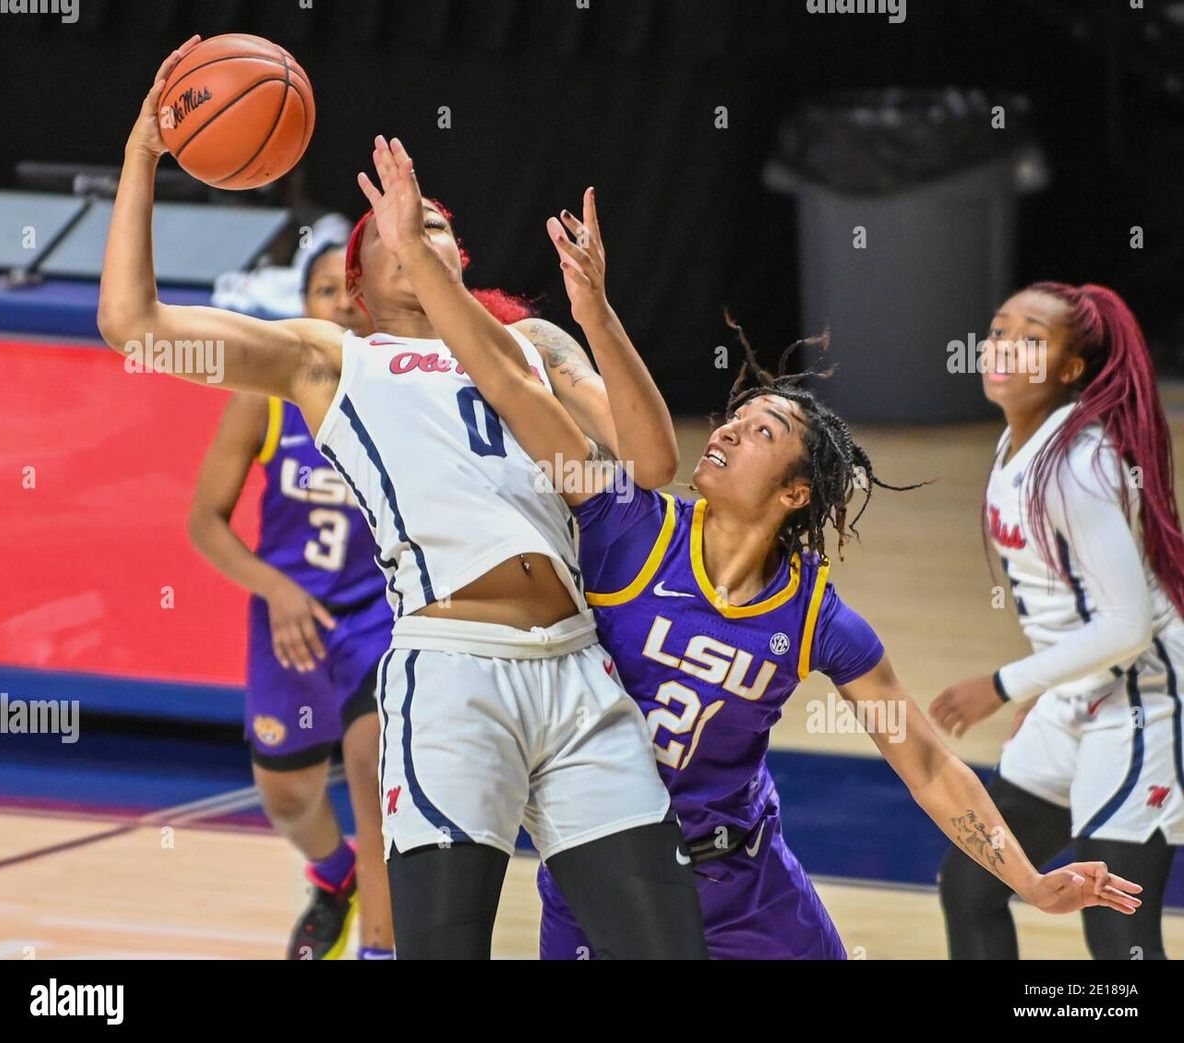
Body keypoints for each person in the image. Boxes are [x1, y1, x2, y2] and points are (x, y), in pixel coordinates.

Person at [356, 140, 1147, 959]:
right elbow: (516, 391)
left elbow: (927, 764)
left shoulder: (815, 617)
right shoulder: (624, 524)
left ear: (796, 493)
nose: (729, 428)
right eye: (734, 418)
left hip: (751, 894)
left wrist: (1027, 878)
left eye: (761, 430)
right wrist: (541, 299)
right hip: (605, 881)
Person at [97, 39, 706, 960]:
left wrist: (599, 313)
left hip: (579, 668)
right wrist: (144, 153)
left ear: (457, 253)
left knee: (669, 950)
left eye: (431, 226)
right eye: (392, 228)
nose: (416, 234)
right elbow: (133, 328)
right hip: (453, 672)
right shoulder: (332, 357)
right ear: (357, 285)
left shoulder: (534, 342)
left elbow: (652, 461)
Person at [932, 282, 1183, 960]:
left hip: (1139, 705)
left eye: (1031, 338)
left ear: (1071, 370)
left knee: (1119, 936)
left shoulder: (1077, 463)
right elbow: (1072, 603)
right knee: (972, 883)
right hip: (1078, 694)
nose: (1004, 346)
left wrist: (1006, 683)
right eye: (999, 328)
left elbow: (1128, 622)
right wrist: (1050, 686)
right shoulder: (1021, 446)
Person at [189, 241, 393, 960]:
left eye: (353, 289)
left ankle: (380, 947)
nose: (341, 302)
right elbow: (204, 521)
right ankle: (335, 878)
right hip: (291, 620)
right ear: (302, 307)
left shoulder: (404, 386)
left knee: (375, 776)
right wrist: (274, 589)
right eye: (324, 290)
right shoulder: (266, 397)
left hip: (381, 619)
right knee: (286, 797)